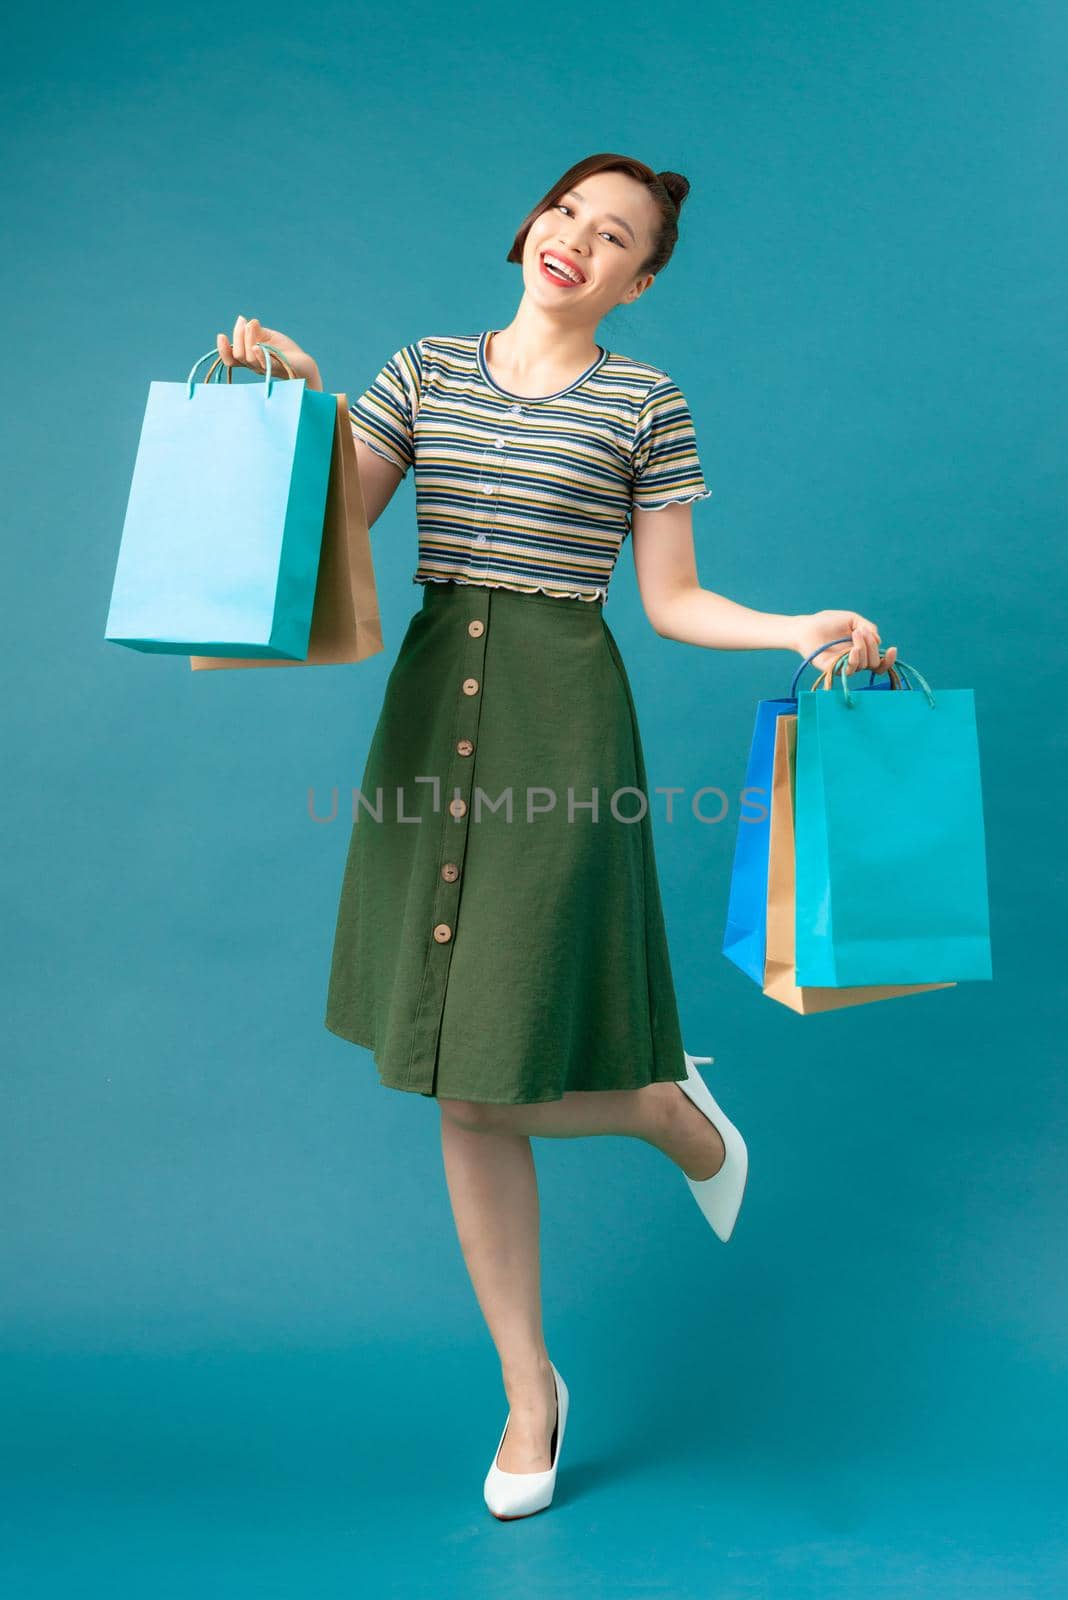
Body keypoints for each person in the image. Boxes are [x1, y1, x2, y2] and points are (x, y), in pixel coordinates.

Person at [216, 152, 897, 1521]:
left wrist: (794, 625)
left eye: (619, 236)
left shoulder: (647, 403)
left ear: (641, 281)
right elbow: (337, 530)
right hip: (429, 723)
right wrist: (298, 400)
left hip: (560, 729)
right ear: (532, 225)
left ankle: (663, 1108)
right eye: (569, 213)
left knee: (487, 1063)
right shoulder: (420, 371)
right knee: (452, 1077)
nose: (581, 239)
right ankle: (532, 1390)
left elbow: (673, 598)